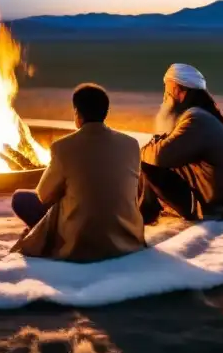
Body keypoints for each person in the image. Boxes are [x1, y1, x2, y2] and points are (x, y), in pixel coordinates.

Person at [10, 83, 146, 263]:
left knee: (20, 199)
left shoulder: (63, 147)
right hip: (127, 238)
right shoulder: (131, 144)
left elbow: (43, 195)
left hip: (79, 243)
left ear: (77, 113)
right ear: (106, 111)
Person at [138, 63, 223, 224]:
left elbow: (160, 156)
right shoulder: (204, 115)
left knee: (147, 164)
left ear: (179, 90)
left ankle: (143, 216)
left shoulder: (195, 120)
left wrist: (145, 150)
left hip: (214, 206)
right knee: (155, 159)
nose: (164, 98)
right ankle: (144, 210)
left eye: (167, 91)